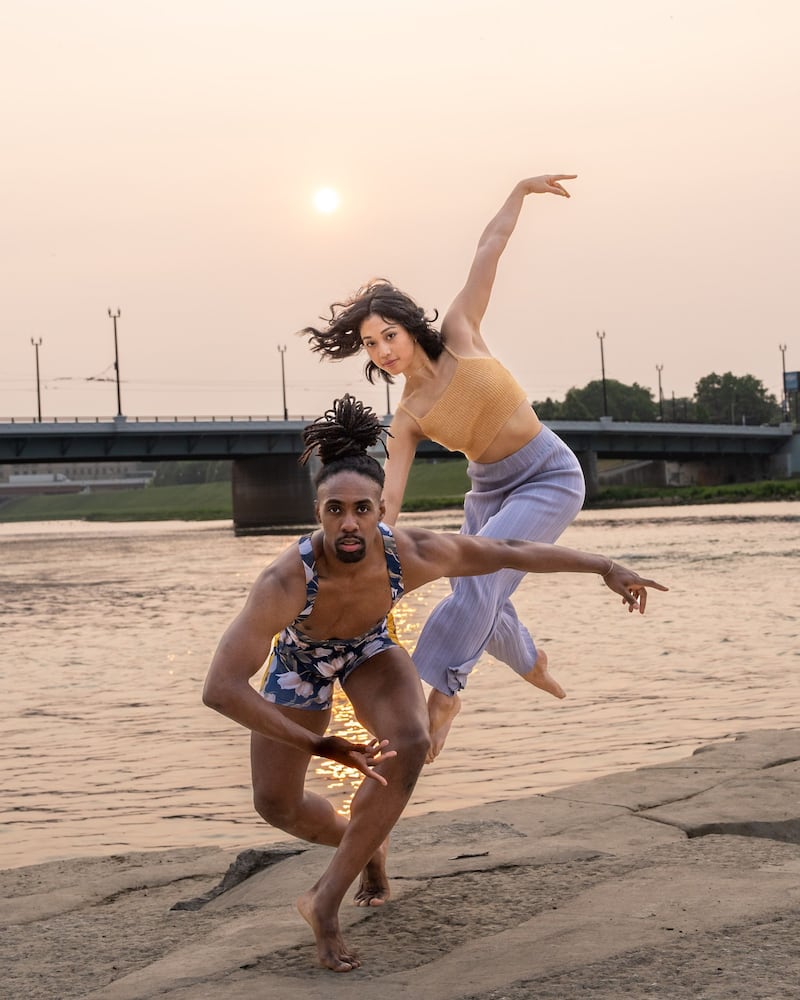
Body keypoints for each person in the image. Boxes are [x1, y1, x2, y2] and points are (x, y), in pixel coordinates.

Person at [203, 395, 667, 973]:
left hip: (370, 649)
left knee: (413, 743)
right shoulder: (284, 581)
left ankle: (324, 901)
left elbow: (508, 549)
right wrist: (317, 744)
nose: (349, 524)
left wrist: (604, 565)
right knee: (277, 805)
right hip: (300, 663)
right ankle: (366, 842)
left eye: (363, 510)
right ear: (318, 512)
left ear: (379, 511)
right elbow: (221, 687)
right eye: (335, 510)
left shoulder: (411, 553)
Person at [303, 173, 587, 760]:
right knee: (476, 588)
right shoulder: (407, 415)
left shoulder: (461, 332)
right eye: (372, 345)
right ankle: (527, 657)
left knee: (478, 583)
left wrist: (519, 191)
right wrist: (357, 542)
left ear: (409, 325)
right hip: (488, 490)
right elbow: (390, 500)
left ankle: (447, 693)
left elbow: (489, 248)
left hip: (549, 474)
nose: (384, 349)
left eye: (389, 334)